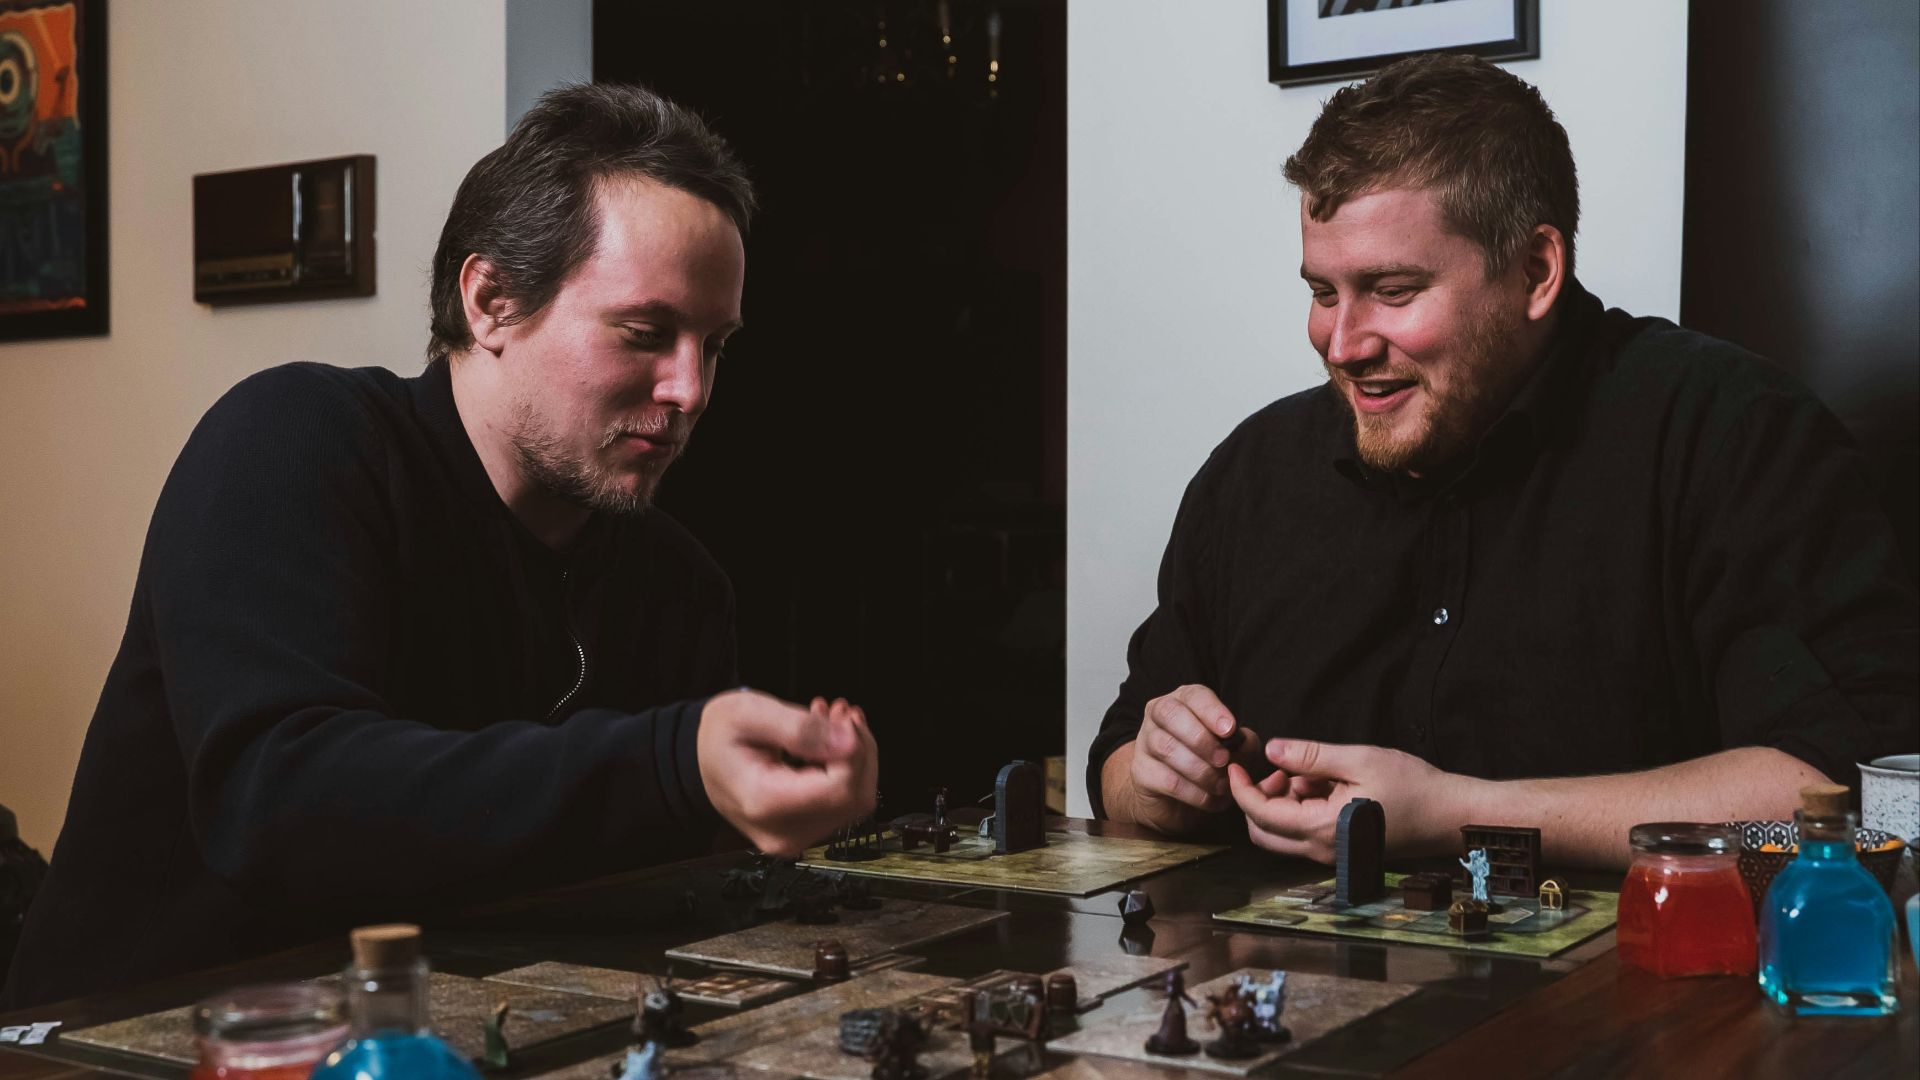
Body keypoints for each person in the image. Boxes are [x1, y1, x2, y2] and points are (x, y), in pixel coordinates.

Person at [3, 83, 878, 1007]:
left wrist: (759, 815)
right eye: (645, 333)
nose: (689, 389)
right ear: (491, 300)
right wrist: (672, 763)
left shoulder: (679, 585)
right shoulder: (293, 443)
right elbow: (282, 806)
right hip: (132, 1038)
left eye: (715, 345)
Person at [1089, 54, 1916, 869]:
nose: (1341, 346)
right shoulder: (1252, 474)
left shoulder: (1732, 435)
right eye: (1322, 292)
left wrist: (1459, 816)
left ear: (1536, 271)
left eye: (1393, 290)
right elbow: (1118, 765)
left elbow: (1846, 790)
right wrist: (1158, 780)